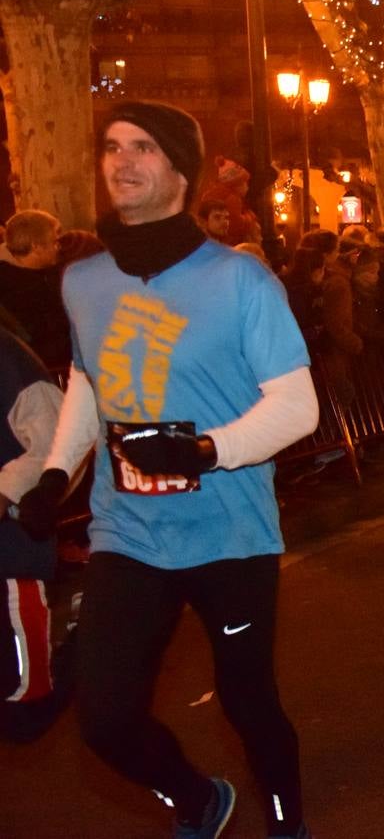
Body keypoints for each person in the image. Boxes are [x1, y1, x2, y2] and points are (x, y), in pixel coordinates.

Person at [15, 100, 318, 839]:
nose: (122, 161)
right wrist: (58, 472)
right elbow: (91, 385)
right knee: (105, 715)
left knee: (248, 703)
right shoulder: (83, 281)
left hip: (229, 531)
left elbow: (298, 407)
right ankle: (197, 799)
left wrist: (205, 450)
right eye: (112, 147)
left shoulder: (241, 283)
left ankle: (287, 825)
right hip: (131, 532)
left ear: (179, 171)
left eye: (143, 148)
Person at [1, 327, 72, 744]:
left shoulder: (6, 355)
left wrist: (5, 491)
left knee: (26, 708)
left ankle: (93, 636)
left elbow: (57, 439)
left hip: (10, 556)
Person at [0, 209, 70, 369]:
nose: (58, 247)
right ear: (36, 247)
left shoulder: (47, 276)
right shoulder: (21, 292)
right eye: (54, 241)